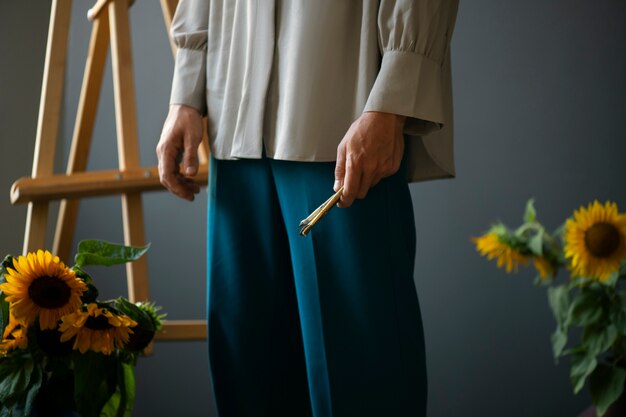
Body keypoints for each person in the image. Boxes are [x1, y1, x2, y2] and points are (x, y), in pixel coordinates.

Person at [157, 1, 459, 416]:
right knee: (248, 368)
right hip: (233, 106)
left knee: (361, 372)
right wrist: (186, 91)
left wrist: (393, 96)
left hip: (341, 112)